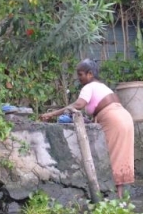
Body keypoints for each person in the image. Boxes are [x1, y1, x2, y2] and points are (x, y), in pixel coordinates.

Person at [40, 59, 135, 197]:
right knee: (119, 156)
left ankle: (105, 194)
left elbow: (78, 105)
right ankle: (119, 196)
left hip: (113, 119)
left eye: (80, 75)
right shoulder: (102, 86)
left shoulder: (88, 87)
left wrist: (51, 114)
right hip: (125, 118)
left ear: (90, 74)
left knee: (109, 155)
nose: (79, 78)